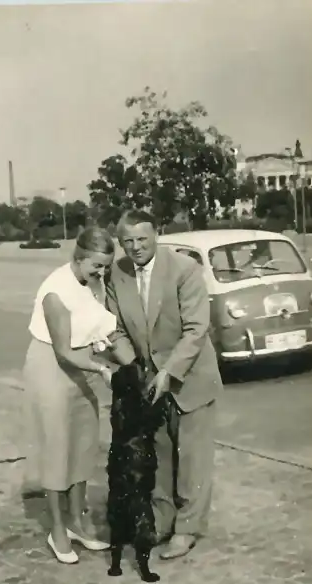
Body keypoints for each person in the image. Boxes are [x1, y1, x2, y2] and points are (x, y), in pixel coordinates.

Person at [105, 210, 223, 560]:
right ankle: (160, 521)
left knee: (192, 459)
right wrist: (137, 370)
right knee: (159, 457)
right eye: (128, 241)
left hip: (190, 379)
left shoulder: (184, 269)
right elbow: (117, 330)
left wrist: (168, 373)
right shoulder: (117, 274)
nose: (136, 247)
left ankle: (187, 529)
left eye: (142, 239)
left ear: (156, 233)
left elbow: (196, 329)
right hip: (148, 382)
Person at [22, 227, 122, 565]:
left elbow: (100, 330)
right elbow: (64, 352)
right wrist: (105, 370)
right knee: (57, 447)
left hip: (84, 365)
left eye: (106, 266)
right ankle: (58, 529)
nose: (102, 272)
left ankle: (79, 522)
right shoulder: (56, 291)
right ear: (77, 258)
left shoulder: (93, 284)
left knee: (83, 442)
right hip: (52, 366)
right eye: (96, 265)